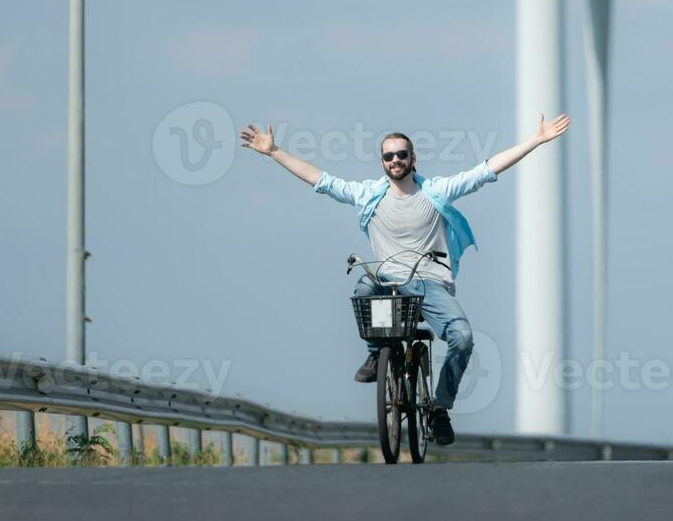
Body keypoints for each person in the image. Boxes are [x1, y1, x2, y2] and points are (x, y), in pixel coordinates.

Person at [238, 114, 571, 446]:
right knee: (364, 287)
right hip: (388, 282)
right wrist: (274, 151)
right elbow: (321, 180)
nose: (395, 160)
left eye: (401, 154)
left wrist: (536, 140)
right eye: (388, 156)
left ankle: (440, 407)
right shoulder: (368, 194)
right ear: (381, 162)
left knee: (463, 338)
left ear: (413, 158)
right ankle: (375, 354)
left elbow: (485, 171)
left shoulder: (436, 190)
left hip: (429, 284)